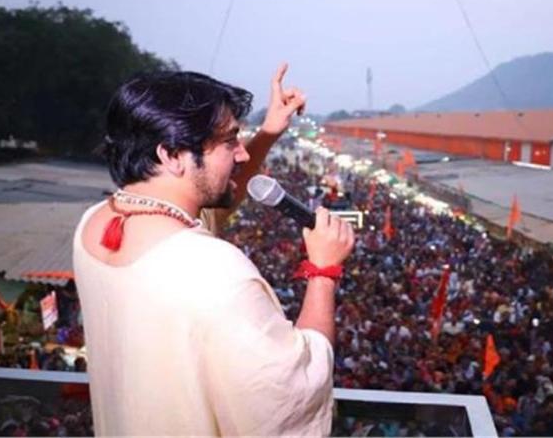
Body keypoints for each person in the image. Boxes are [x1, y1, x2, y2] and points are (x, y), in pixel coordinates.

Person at [73, 64, 355, 436]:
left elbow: (209, 200)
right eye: (229, 141)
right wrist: (322, 272)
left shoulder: (93, 225)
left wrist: (269, 132)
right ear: (172, 155)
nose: (242, 155)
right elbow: (294, 390)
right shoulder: (213, 268)